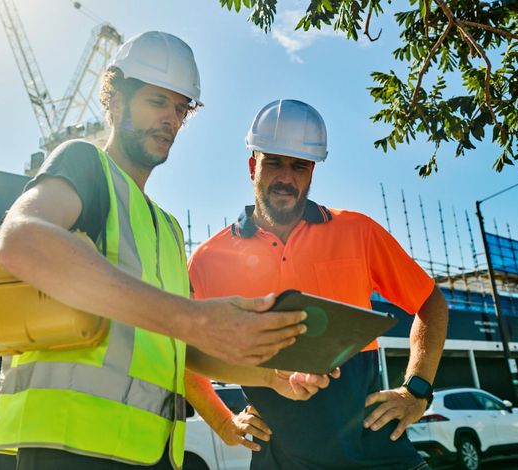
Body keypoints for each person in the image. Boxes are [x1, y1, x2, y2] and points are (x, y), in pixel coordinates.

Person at [0, 35, 333, 470]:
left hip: (152, 453)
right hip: (71, 446)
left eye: (180, 108)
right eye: (157, 101)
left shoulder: (168, 229)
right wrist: (196, 318)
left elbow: (175, 350)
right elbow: (20, 240)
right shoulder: (85, 165)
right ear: (114, 101)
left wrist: (270, 376)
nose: (171, 118)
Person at [186, 99, 449, 469]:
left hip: (378, 455)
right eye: (273, 162)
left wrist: (417, 390)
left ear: (312, 172)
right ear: (252, 166)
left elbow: (431, 303)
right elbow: (181, 352)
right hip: (278, 460)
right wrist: (222, 420)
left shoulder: (358, 231)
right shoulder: (209, 259)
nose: (286, 177)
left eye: (299, 165)